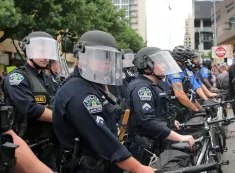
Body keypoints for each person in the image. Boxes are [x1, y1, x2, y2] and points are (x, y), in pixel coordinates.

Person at [53, 30, 154, 173]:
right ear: (83, 58)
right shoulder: (80, 93)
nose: (107, 62)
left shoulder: (93, 85)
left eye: (109, 57)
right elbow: (104, 140)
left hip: (101, 164)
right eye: (100, 56)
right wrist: (139, 168)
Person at [126, 47, 195, 164]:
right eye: (160, 63)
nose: (164, 66)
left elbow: (157, 114)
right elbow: (148, 121)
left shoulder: (154, 85)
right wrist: (180, 138)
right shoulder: (142, 88)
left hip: (156, 144)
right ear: (147, 66)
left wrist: (170, 122)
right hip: (145, 150)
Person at [3, 31, 59, 171]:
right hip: (25, 146)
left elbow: (59, 102)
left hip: (48, 146)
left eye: (47, 52)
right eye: (40, 52)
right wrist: (62, 117)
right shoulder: (17, 78)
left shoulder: (48, 79)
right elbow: (30, 109)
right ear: (28, 52)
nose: (45, 57)